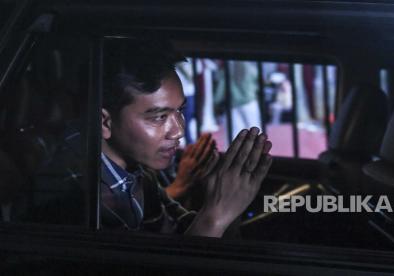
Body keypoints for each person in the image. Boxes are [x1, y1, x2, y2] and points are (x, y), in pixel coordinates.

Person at [100, 39, 273, 237]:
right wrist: (216, 214)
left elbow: (179, 230)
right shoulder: (81, 194)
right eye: (159, 117)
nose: (178, 131)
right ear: (105, 122)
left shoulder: (138, 174)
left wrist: (223, 199)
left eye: (180, 110)